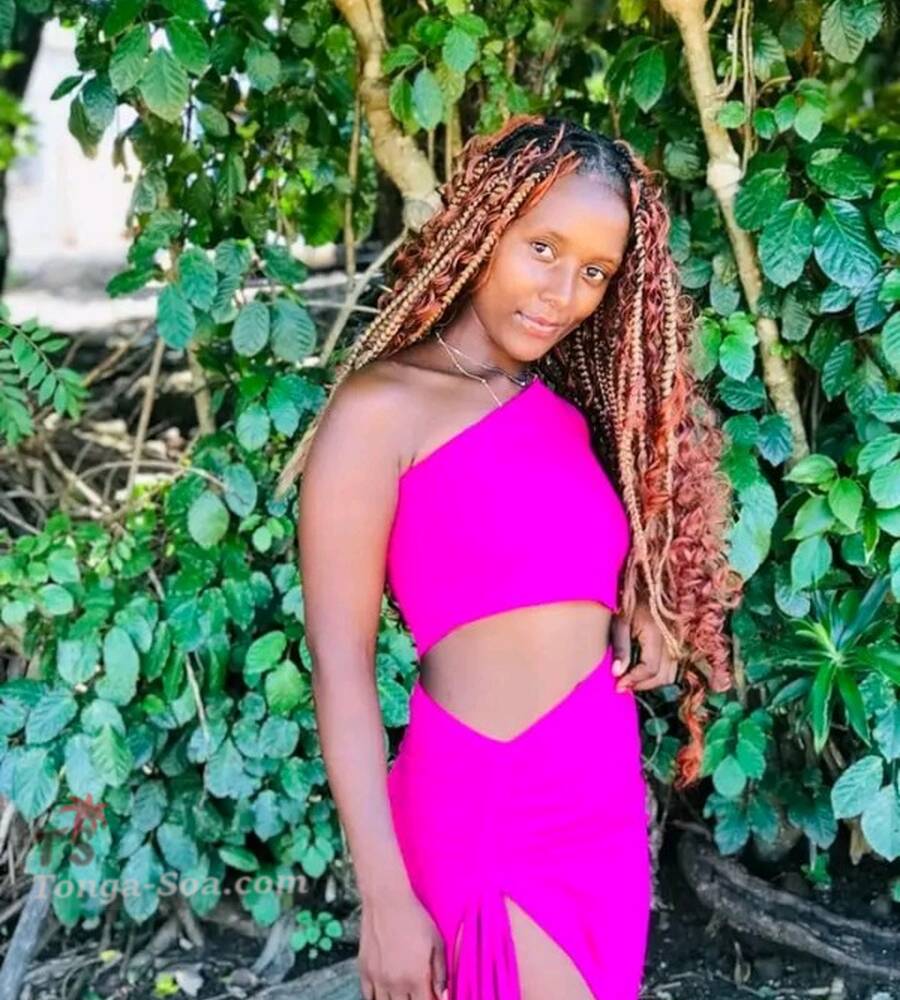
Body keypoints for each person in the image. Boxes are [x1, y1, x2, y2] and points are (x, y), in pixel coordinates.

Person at [277, 113, 744, 1000]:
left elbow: (554, 558)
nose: (563, 292)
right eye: (543, 248)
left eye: (595, 271)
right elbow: (340, 669)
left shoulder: (569, 415)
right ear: (486, 226)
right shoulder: (379, 411)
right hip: (485, 810)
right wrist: (384, 900)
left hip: (602, 806)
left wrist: (640, 595)